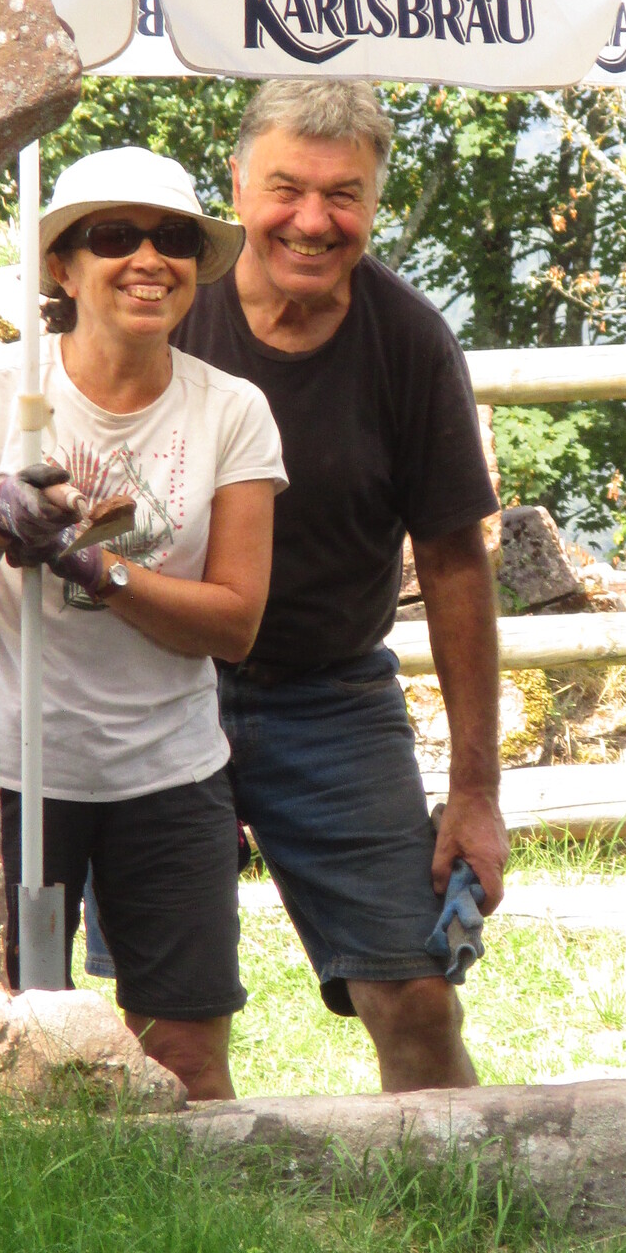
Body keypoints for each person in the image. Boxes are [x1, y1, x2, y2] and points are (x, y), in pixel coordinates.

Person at [173, 79, 507, 1092]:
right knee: (174, 1022)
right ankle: (195, 1201)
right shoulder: (170, 309)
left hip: (330, 696)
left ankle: (453, 1187)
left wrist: (475, 794)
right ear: (238, 184)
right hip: (164, 689)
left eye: (343, 196)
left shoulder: (407, 340)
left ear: (374, 204)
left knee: (416, 996)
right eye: (287, 189)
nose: (312, 222)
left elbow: (454, 564)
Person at [0, 148, 286, 1102]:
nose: (148, 259)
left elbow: (234, 623)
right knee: (1, 1060)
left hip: (168, 773)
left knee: (188, 1057)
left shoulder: (232, 411)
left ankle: (195, 1206)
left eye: (173, 238)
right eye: (113, 236)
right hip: (16, 768)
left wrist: (93, 563)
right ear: (61, 266)